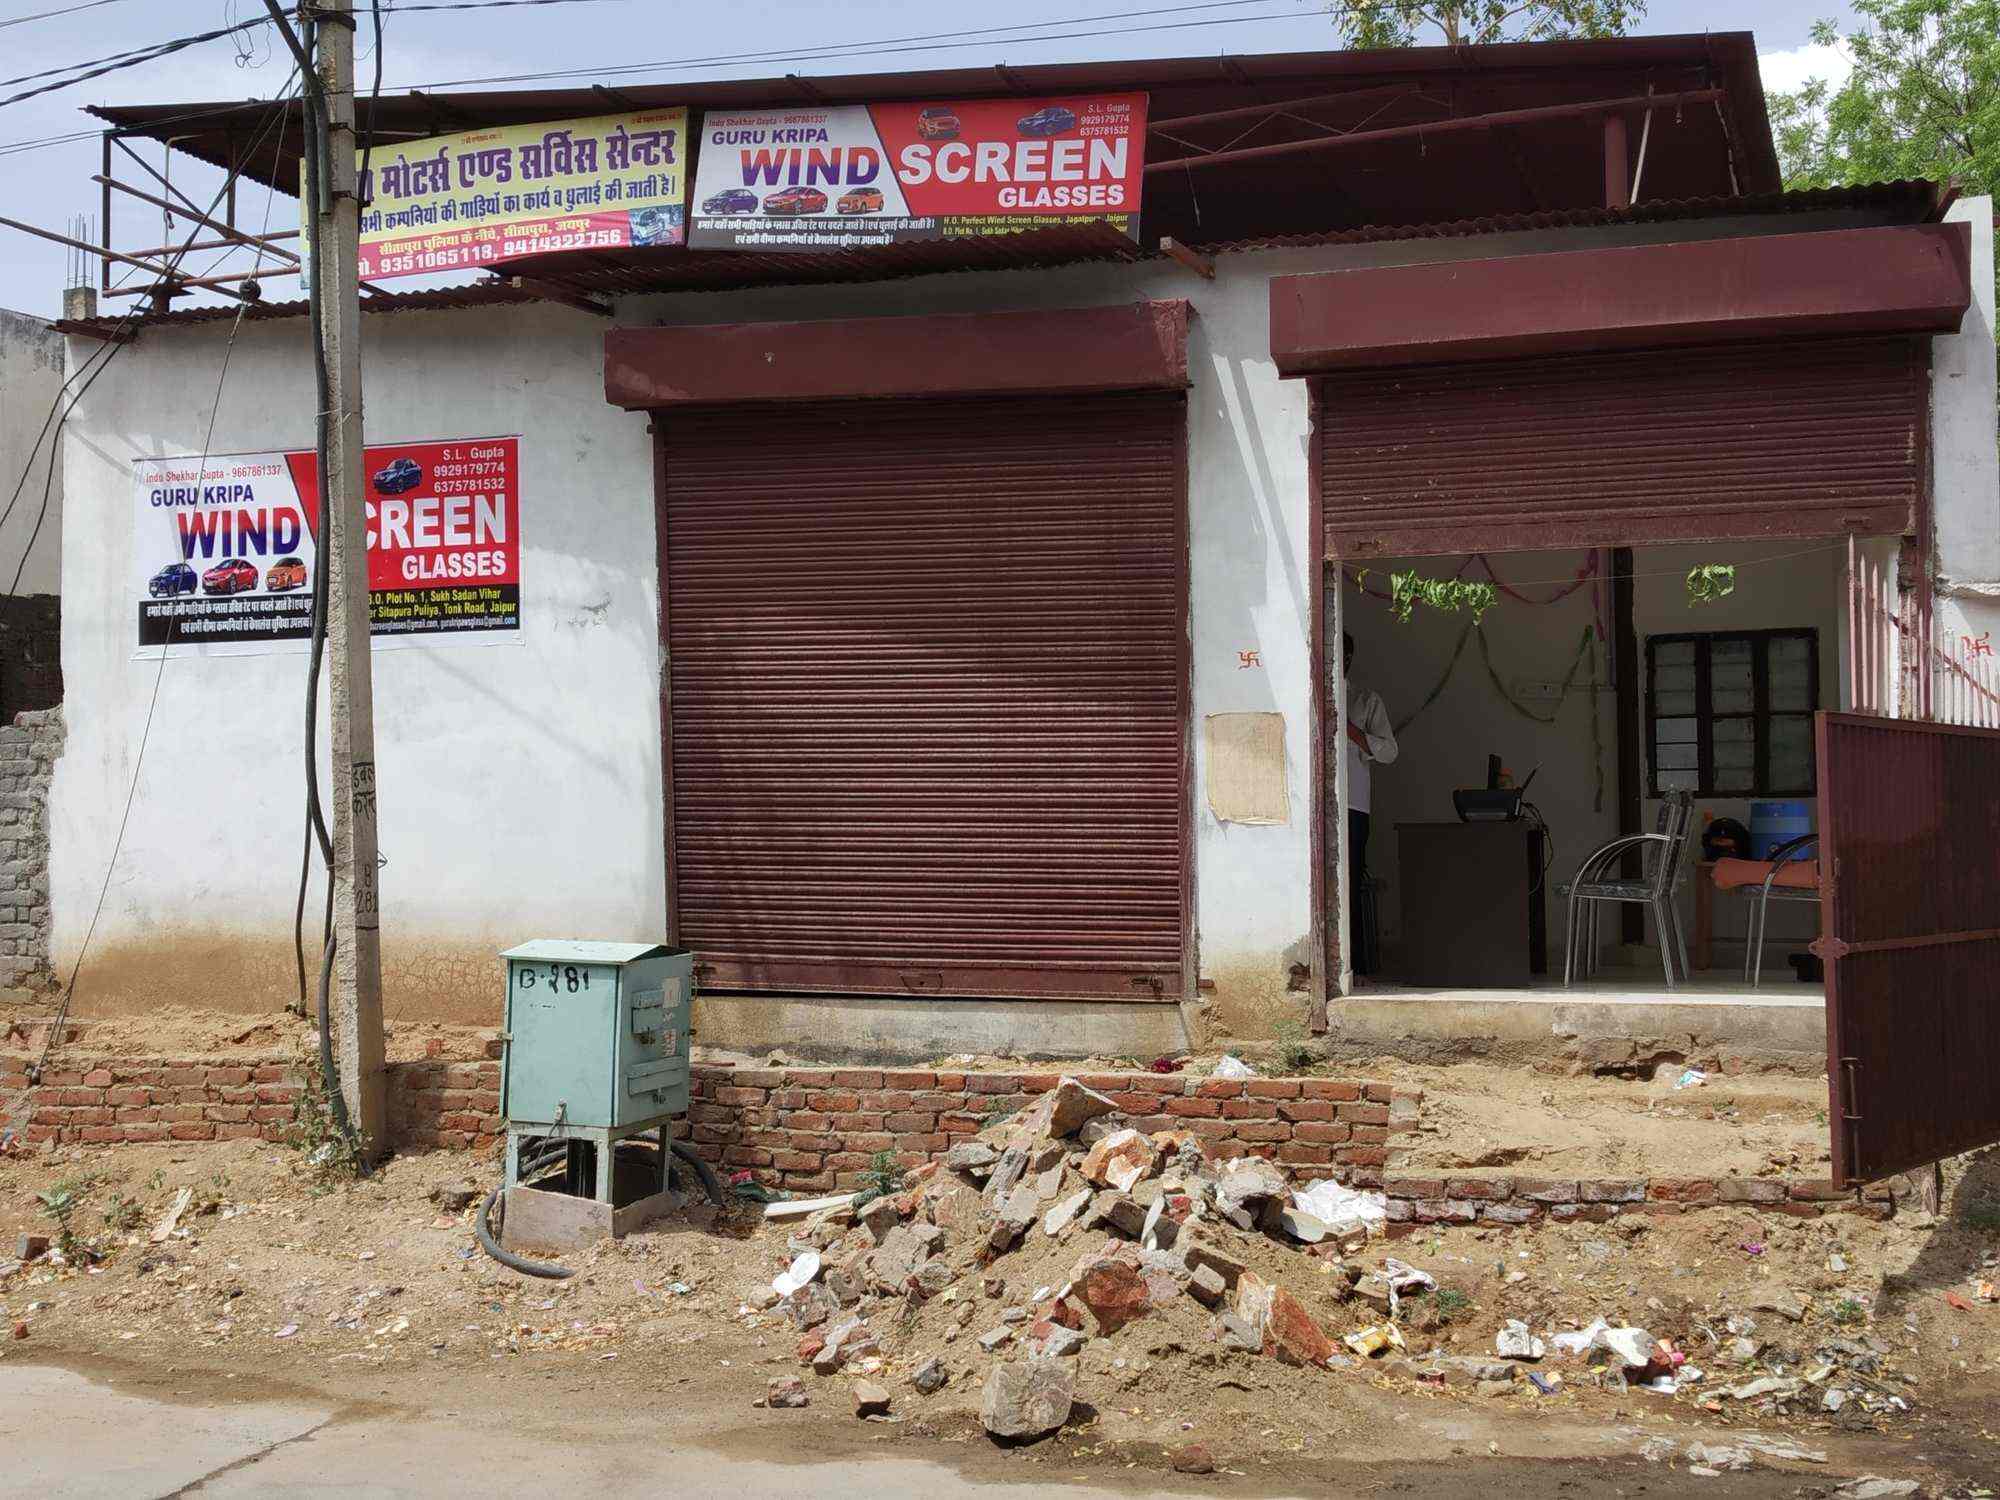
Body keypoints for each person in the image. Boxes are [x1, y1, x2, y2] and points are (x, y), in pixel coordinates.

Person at [1337, 631, 1397, 973]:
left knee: (1352, 878)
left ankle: (1355, 966)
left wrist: (1352, 731)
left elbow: (1390, 752)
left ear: (1350, 658)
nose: (1340, 659)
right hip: (1312, 807)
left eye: (1346, 654)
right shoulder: (1303, 690)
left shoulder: (1364, 700)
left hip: (1353, 805)